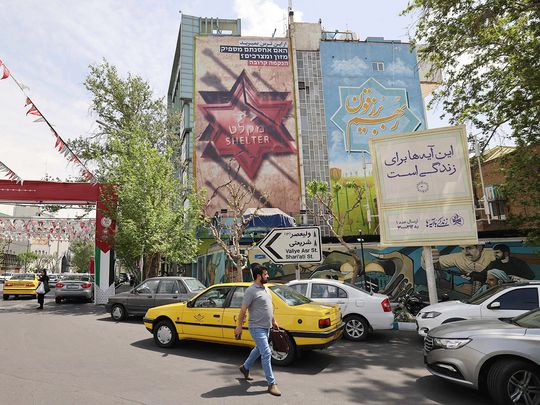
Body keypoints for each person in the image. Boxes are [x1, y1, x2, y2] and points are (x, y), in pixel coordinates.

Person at [235, 264, 281, 397]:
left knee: (259, 349)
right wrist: (239, 326)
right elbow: (243, 310)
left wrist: (273, 321)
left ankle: (245, 367)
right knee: (266, 352)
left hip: (266, 326)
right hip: (256, 327)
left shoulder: (265, 289)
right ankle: (271, 383)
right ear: (258, 276)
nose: (268, 276)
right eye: (265, 274)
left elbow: (269, 307)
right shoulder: (251, 290)